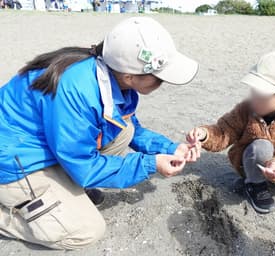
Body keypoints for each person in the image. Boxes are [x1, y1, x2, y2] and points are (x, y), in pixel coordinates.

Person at [0, 17, 199, 249]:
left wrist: (169, 149)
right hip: (13, 158)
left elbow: (125, 124)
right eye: (159, 78)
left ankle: (62, 190)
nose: (163, 83)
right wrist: (150, 164)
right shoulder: (78, 90)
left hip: (46, 144)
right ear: (129, 76)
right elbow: (83, 165)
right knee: (86, 230)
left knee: (125, 131)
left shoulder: (106, 72)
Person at [187, 52, 275, 214]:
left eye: (262, 95)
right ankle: (255, 184)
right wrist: (204, 134)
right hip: (251, 162)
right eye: (253, 91)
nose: (254, 99)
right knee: (262, 146)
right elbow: (224, 131)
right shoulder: (246, 109)